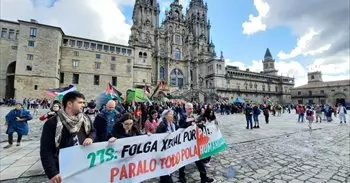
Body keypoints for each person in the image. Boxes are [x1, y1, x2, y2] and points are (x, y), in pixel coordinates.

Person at [40, 91, 95, 183]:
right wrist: (52, 173)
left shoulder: (85, 118)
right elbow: (46, 150)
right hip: (62, 166)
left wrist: (90, 138)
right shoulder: (52, 123)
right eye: (80, 102)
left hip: (82, 163)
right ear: (69, 104)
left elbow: (93, 131)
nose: (83, 105)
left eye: (84, 103)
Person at [178, 103, 214, 183]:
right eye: (189, 109)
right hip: (184, 143)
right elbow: (181, 127)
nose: (191, 110)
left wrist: (200, 125)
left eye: (192, 108)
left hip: (193, 143)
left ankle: (203, 177)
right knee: (183, 161)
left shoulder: (192, 116)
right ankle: (181, 176)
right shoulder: (182, 116)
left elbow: (195, 125)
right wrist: (188, 123)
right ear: (186, 109)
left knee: (198, 160)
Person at [156, 109, 177, 183]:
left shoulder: (173, 124)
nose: (172, 116)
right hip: (164, 151)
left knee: (168, 170)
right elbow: (157, 137)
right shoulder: (162, 125)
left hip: (170, 150)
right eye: (170, 114)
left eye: (172, 114)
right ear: (165, 116)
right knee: (166, 171)